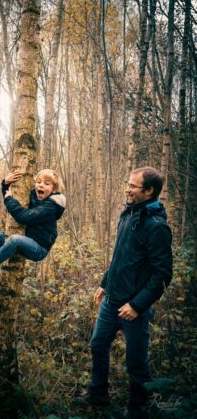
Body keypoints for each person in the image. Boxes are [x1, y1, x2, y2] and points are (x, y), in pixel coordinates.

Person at [86, 167, 173, 415]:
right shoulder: (128, 213)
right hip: (111, 301)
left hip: (133, 309)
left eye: (133, 186)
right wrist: (105, 283)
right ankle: (98, 394)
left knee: (136, 364)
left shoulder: (156, 227)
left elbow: (162, 274)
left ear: (149, 191)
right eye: (128, 184)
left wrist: (137, 306)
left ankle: (137, 407)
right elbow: (119, 256)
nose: (127, 189)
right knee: (98, 346)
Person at [0, 169, 66, 290]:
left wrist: (9, 199)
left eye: (47, 183)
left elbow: (23, 217)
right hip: (26, 239)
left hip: (39, 249)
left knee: (14, 240)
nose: (41, 185)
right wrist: (5, 184)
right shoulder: (34, 195)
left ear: (54, 189)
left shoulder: (51, 206)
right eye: (38, 182)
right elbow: (10, 194)